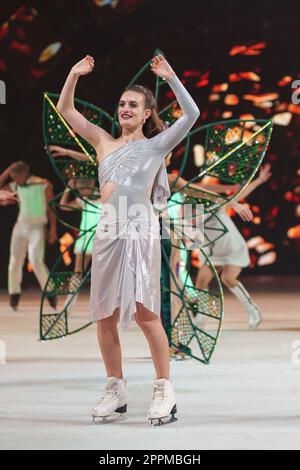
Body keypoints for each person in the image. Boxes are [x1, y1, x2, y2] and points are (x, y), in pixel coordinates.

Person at [56, 53, 200, 425]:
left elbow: (192, 115)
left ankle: (164, 389)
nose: (124, 108)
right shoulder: (103, 141)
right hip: (108, 229)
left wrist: (169, 77)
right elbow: (65, 110)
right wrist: (73, 74)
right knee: (104, 314)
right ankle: (115, 388)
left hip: (140, 227)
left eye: (133, 104)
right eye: (121, 103)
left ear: (147, 111)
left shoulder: (156, 145)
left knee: (145, 312)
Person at [196, 164, 272, 329]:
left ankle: (253, 310)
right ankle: (202, 315)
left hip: (231, 247)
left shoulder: (214, 203)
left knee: (228, 279)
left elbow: (239, 194)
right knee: (201, 280)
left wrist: (259, 181)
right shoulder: (187, 209)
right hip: (212, 250)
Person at [0, 161, 57, 310]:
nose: (14, 179)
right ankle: (14, 294)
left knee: (36, 260)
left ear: (24, 174)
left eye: (15, 176)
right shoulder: (15, 185)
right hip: (21, 225)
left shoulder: (41, 184)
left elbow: (51, 208)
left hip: (37, 227)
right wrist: (7, 171)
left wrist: (53, 229)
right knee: (14, 261)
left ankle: (50, 292)